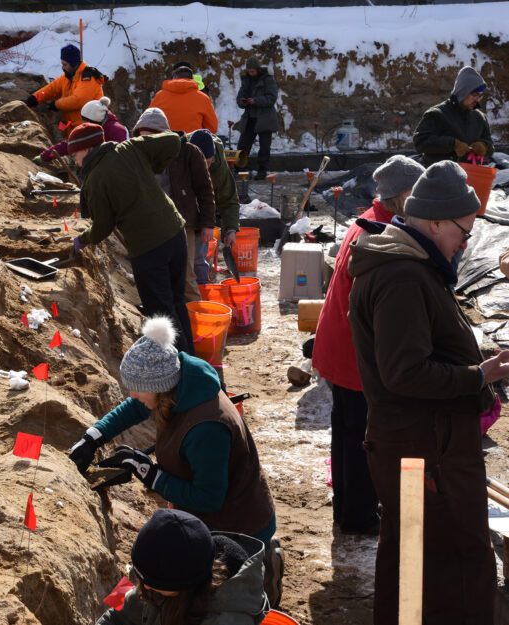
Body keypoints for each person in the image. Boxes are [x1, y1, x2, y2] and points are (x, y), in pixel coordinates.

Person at [348, 160, 508, 624]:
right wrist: (478, 376)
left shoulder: (410, 265)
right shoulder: (402, 276)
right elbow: (405, 373)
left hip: (418, 444)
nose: (467, 241)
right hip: (423, 448)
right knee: (451, 560)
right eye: (465, 229)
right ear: (435, 222)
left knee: (414, 558)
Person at [69, 316, 282, 605]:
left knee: (232, 606)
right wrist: (94, 436)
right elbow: (136, 405)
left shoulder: (207, 426)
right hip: (211, 519)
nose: (132, 394)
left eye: (137, 388)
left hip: (240, 527)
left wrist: (151, 474)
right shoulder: (181, 385)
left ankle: (267, 569)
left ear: (160, 388)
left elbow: (208, 499)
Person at [313, 155, 425, 535]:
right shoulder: (379, 232)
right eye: (416, 192)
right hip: (353, 352)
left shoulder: (370, 219)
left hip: (338, 346)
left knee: (345, 429)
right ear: (400, 195)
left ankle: (348, 509)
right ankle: (358, 516)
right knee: (362, 436)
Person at [68, 124, 194, 354]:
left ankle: (182, 369)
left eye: (75, 155)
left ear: (86, 149)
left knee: (162, 314)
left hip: (149, 247)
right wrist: (153, 167)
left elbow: (103, 226)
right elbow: (174, 141)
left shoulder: (96, 178)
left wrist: (83, 239)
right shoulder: (129, 148)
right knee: (176, 301)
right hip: (175, 232)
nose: (75, 161)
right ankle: (193, 358)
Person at [95, 508, 269, 625]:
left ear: (184, 583)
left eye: (153, 583)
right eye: (142, 577)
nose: (144, 586)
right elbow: (117, 616)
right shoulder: (155, 584)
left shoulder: (226, 618)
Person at [132, 108, 216, 303]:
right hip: (153, 225)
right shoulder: (138, 156)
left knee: (186, 277)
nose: (147, 142)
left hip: (182, 224)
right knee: (159, 277)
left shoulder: (188, 152)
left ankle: (195, 323)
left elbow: (205, 190)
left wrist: (207, 224)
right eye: (143, 138)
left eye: (151, 137)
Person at [413, 65, 494, 166]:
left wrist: (484, 146)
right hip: (437, 176)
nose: (477, 100)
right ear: (463, 92)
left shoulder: (480, 118)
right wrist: (452, 144)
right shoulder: (437, 114)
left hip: (471, 176)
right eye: (474, 95)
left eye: (480, 95)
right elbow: (420, 142)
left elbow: (490, 146)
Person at [188, 130, 240, 284]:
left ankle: (201, 293)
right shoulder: (181, 157)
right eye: (202, 164)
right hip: (183, 213)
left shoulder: (219, 168)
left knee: (198, 258)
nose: (206, 168)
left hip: (204, 215)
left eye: (208, 163)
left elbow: (229, 198)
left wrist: (230, 228)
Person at [24, 44, 107, 136]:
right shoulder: (69, 75)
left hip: (87, 129)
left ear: (74, 64)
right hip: (70, 126)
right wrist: (36, 97)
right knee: (59, 137)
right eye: (62, 64)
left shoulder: (88, 79)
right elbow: (53, 88)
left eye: (65, 64)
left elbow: (78, 100)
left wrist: (56, 104)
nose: (62, 67)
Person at [33, 96, 128, 164]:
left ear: (94, 120)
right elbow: (70, 143)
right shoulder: (94, 126)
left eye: (87, 120)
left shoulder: (117, 131)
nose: (84, 123)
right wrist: (44, 156)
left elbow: (123, 159)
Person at [235, 57, 279, 180]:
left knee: (264, 147)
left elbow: (271, 98)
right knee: (243, 145)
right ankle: (241, 169)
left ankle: (262, 171)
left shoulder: (268, 80)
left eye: (253, 71)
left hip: (265, 118)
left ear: (258, 70)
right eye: (249, 71)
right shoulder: (246, 80)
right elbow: (240, 96)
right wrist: (242, 102)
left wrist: (255, 101)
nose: (250, 73)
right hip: (250, 118)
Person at [150, 61, 218, 134]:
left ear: (173, 78)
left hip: (165, 143)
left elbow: (148, 122)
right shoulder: (203, 98)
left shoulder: (159, 96)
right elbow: (212, 128)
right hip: (193, 143)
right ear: (192, 78)